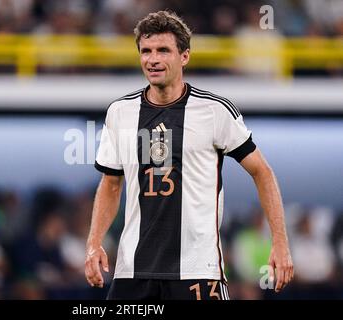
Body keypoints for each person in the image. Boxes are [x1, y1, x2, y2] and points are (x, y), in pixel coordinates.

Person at [85, 10, 294, 300]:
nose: (152, 59)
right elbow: (111, 183)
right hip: (132, 272)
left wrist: (280, 243)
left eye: (163, 50)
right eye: (146, 51)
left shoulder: (215, 111)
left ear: (184, 56)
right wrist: (94, 243)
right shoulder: (120, 113)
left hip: (198, 271)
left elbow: (263, 172)